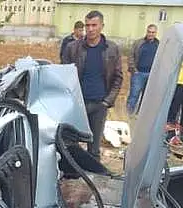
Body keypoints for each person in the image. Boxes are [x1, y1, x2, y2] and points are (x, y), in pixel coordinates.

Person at [65, 10, 123, 161]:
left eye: (94, 25)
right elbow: (64, 75)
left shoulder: (112, 49)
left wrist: (107, 102)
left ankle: (93, 173)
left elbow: (118, 77)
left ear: (102, 26)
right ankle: (72, 172)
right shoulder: (73, 48)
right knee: (70, 145)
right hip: (78, 104)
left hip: (99, 105)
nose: (90, 29)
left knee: (94, 148)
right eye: (87, 25)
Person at [127, 24, 159, 115]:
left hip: (151, 75)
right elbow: (131, 55)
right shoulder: (138, 43)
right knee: (134, 95)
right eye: (149, 32)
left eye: (153, 32)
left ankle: (140, 115)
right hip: (138, 74)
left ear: (156, 33)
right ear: (146, 32)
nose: (151, 34)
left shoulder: (159, 45)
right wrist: (134, 69)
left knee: (146, 97)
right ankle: (128, 113)